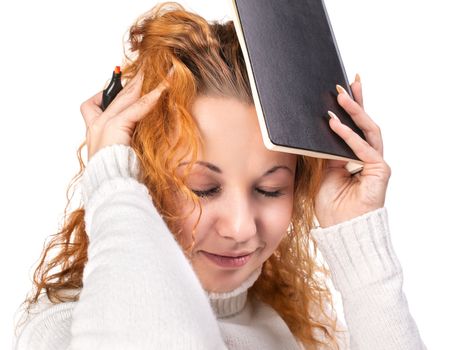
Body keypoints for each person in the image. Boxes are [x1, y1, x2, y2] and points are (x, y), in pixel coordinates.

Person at [12, 2, 426, 349]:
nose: (241, 226)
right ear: (144, 179)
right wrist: (112, 181)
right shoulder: (61, 330)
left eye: (271, 189)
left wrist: (356, 234)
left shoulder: (296, 328)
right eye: (203, 189)